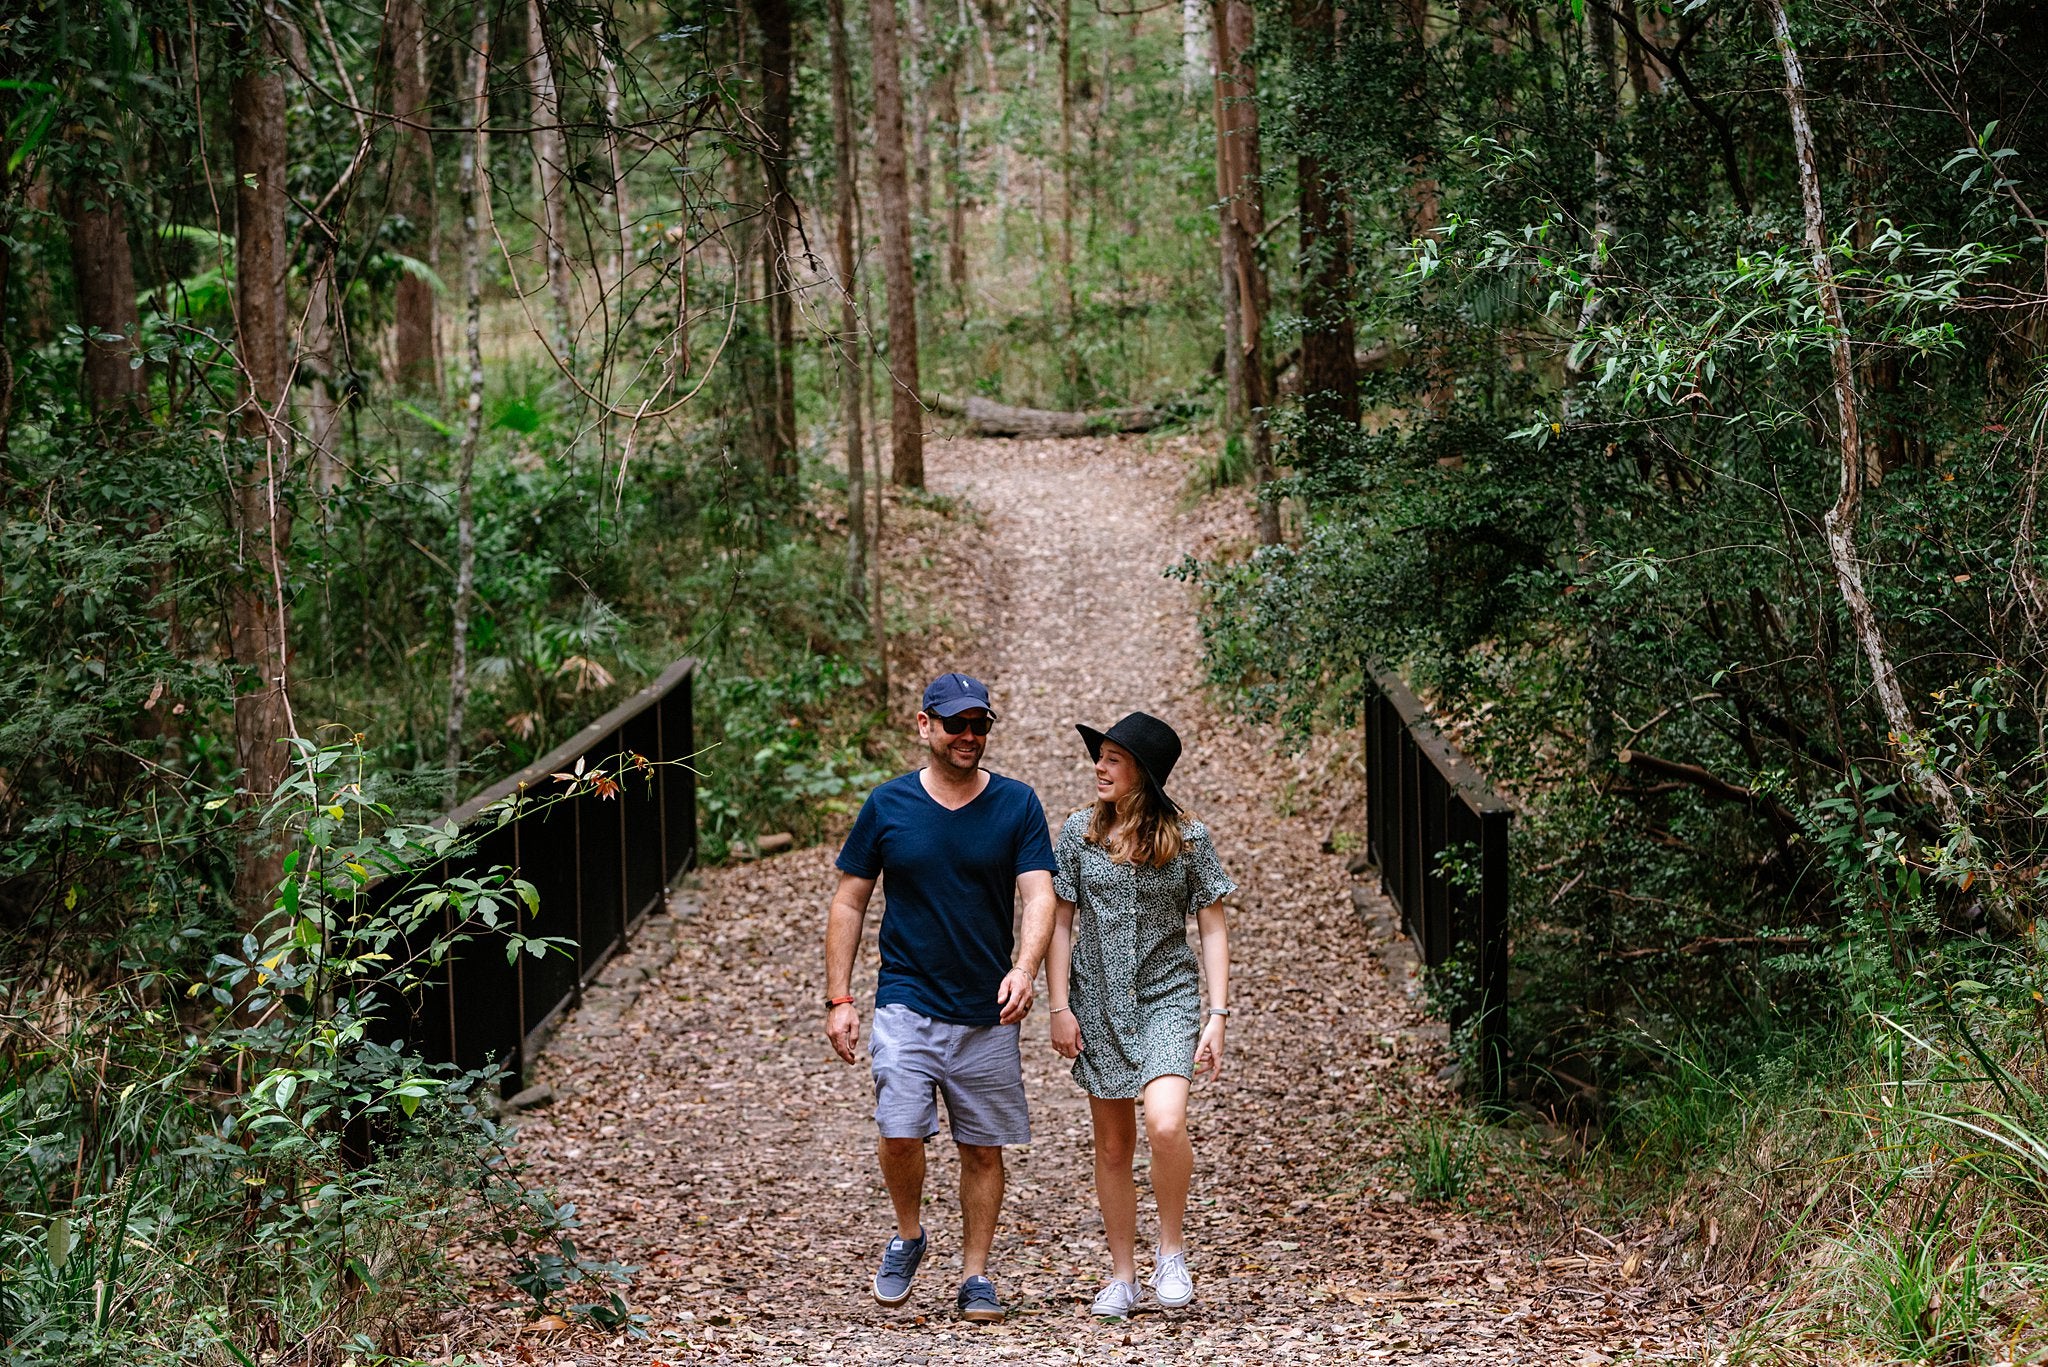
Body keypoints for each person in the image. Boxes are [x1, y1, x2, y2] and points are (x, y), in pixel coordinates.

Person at [823, 672, 1059, 1323]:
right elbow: (850, 898)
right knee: (900, 1131)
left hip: (986, 1008)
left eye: (979, 724)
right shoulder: (888, 804)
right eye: (956, 723)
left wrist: (1025, 967)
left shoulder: (1016, 804)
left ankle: (975, 1275)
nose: (969, 735)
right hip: (906, 997)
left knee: (982, 1149)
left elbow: (1039, 894)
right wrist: (838, 997)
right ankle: (909, 1233)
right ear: (923, 725)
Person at [1046, 711, 1236, 1319]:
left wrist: (1217, 1012)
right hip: (1097, 1002)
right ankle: (1122, 1276)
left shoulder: (1188, 838)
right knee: (1111, 1146)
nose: (1098, 767)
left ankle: (1171, 1253)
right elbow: (1060, 922)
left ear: (1144, 774)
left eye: (1113, 759)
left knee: (1164, 1124)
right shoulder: (1079, 832)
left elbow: (1211, 927)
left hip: (1166, 999)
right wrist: (1057, 1006)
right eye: (1098, 756)